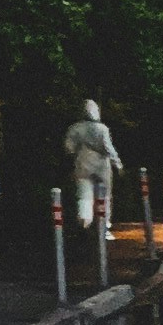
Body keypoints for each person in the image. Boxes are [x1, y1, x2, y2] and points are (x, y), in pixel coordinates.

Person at [63, 95, 119, 239]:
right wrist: (117, 163)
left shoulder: (75, 128)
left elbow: (69, 148)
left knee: (84, 195)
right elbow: (108, 148)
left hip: (82, 163)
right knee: (105, 196)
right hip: (102, 166)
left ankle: (84, 224)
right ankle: (104, 226)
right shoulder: (102, 129)